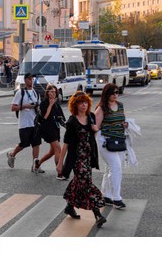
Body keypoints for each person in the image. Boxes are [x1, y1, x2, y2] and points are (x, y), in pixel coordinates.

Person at [56, 92, 106, 228]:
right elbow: (66, 144)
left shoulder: (91, 117)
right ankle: (98, 215)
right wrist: (60, 163)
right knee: (86, 184)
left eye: (85, 102)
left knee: (80, 183)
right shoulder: (72, 122)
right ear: (75, 105)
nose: (84, 105)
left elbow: (92, 137)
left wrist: (96, 130)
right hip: (77, 159)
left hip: (89, 157)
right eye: (80, 102)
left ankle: (69, 207)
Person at [94, 83, 129, 210]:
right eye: (113, 93)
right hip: (105, 141)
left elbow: (122, 119)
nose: (115, 95)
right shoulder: (102, 108)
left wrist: (125, 124)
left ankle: (106, 196)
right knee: (116, 168)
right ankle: (117, 198)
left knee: (110, 168)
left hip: (119, 141)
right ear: (107, 94)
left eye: (117, 92)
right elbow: (96, 127)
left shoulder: (120, 106)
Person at [7, 73, 42, 172]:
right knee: (24, 144)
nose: (32, 81)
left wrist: (38, 109)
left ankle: (35, 166)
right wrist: (26, 106)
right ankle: (12, 154)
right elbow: (13, 108)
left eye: (33, 79)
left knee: (36, 144)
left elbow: (38, 107)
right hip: (24, 123)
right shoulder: (20, 93)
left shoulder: (36, 93)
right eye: (30, 79)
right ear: (26, 80)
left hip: (34, 123)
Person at [33, 84, 65, 177]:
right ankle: (60, 172)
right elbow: (44, 118)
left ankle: (38, 163)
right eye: (51, 91)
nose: (53, 94)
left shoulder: (57, 104)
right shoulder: (44, 103)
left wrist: (68, 127)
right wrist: (50, 105)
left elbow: (61, 118)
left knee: (52, 151)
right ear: (47, 93)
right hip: (47, 129)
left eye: (55, 92)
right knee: (58, 148)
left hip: (55, 129)